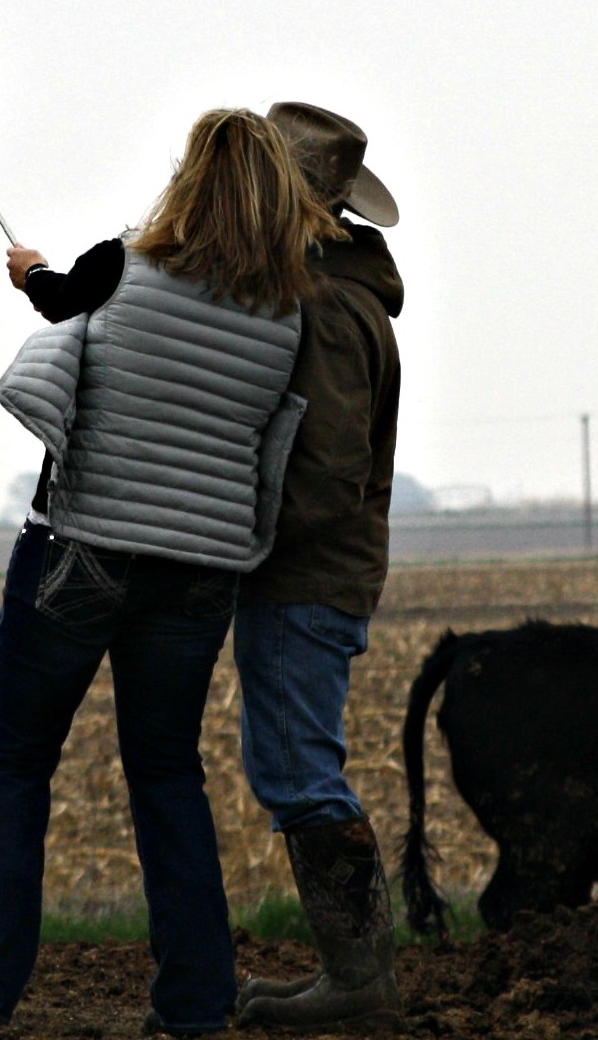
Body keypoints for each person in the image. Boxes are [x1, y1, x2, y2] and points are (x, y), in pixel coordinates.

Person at [0, 108, 343, 1036]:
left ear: (189, 180)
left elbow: (62, 301)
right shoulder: (286, 314)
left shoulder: (125, 264)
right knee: (167, 773)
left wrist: (28, 273)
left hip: (83, 550)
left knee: (16, 763)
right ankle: (194, 1004)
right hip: (199, 575)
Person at [228, 103, 408, 1032]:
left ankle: (358, 980)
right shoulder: (344, 299)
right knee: (298, 766)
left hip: (305, 579)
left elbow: (329, 473)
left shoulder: (331, 313)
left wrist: (240, 540)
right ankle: (356, 973)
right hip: (314, 578)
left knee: (302, 773)